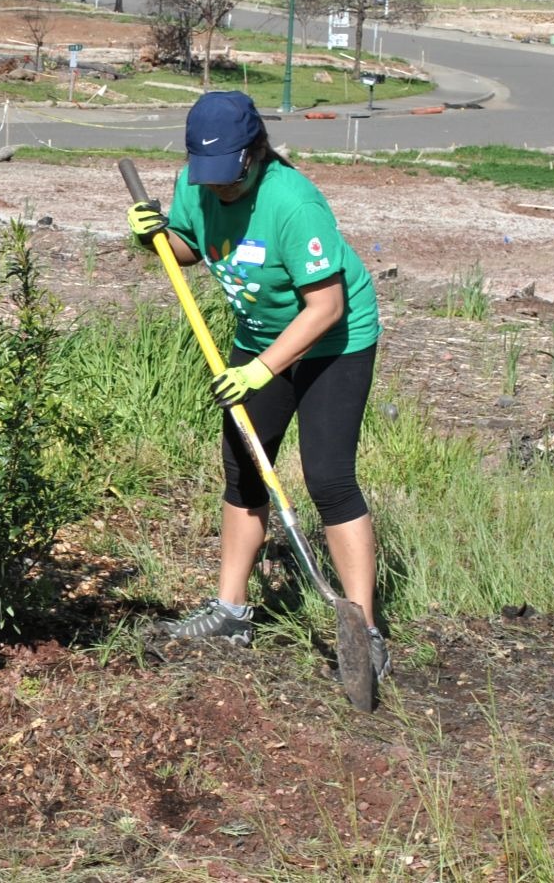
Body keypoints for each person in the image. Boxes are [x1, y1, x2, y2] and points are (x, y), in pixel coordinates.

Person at [126, 91, 388, 678]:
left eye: (227, 176)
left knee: (328, 476)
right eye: (207, 174)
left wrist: (261, 370)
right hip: (260, 332)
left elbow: (325, 306)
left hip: (335, 340)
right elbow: (192, 249)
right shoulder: (195, 184)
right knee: (246, 465)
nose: (217, 187)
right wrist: (156, 237)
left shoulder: (293, 204)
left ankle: (364, 632)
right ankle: (230, 612)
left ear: (253, 154)